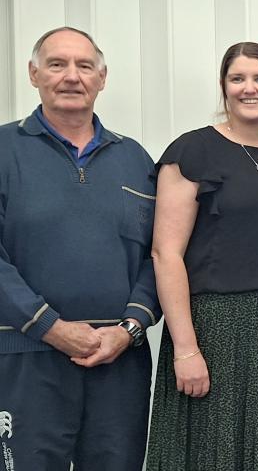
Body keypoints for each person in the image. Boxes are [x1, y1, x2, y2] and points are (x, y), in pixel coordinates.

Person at [0, 27, 159, 470]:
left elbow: (159, 257)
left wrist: (128, 331)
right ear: (33, 74)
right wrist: (50, 326)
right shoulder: (3, 150)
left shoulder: (136, 159)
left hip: (118, 365)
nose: (72, 76)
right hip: (25, 359)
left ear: (102, 78)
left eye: (84, 66)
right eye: (57, 64)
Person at [145, 42, 258, 470]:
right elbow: (165, 252)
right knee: (212, 454)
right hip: (212, 327)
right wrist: (186, 350)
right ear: (224, 87)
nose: (250, 88)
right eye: (238, 78)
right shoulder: (192, 151)